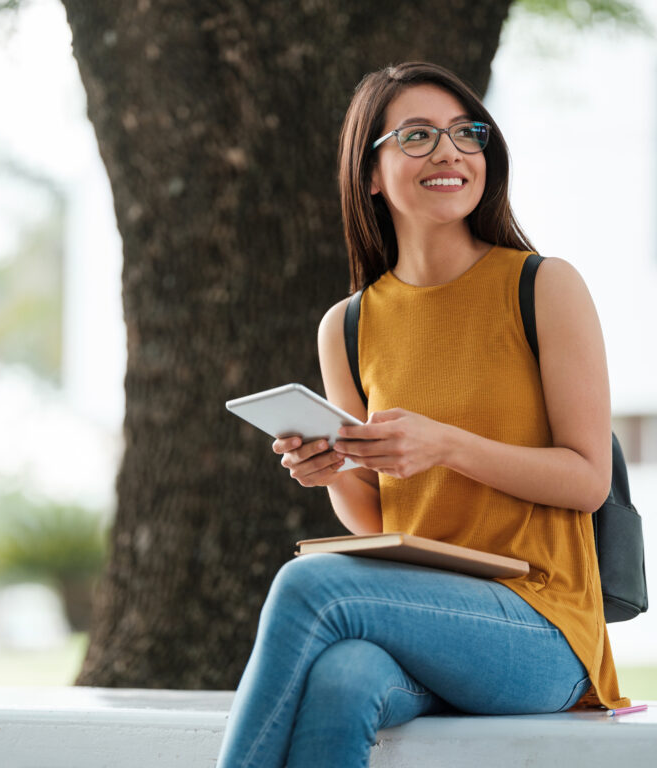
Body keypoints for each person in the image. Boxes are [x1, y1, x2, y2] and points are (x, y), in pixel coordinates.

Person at [215, 61, 629, 768]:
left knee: (307, 584)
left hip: (542, 626)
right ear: (370, 174)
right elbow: (379, 522)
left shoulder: (543, 286)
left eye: (465, 133)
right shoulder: (345, 326)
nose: (449, 152)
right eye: (416, 136)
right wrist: (335, 470)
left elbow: (588, 480)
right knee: (344, 678)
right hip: (423, 620)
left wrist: (446, 445)